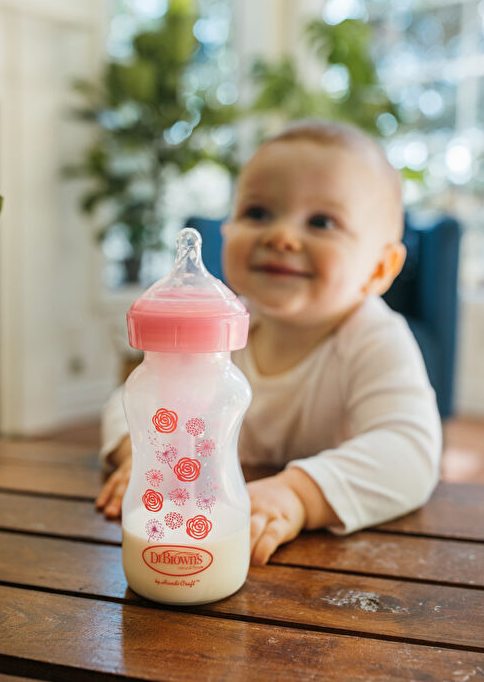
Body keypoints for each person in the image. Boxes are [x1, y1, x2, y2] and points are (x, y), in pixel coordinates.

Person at [95, 119, 442, 567]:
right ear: (227, 231)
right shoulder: (219, 330)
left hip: (334, 564)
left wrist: (297, 494)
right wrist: (141, 454)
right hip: (209, 535)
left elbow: (409, 454)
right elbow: (130, 400)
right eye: (258, 213)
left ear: (380, 267)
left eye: (321, 222)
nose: (281, 237)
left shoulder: (375, 338)